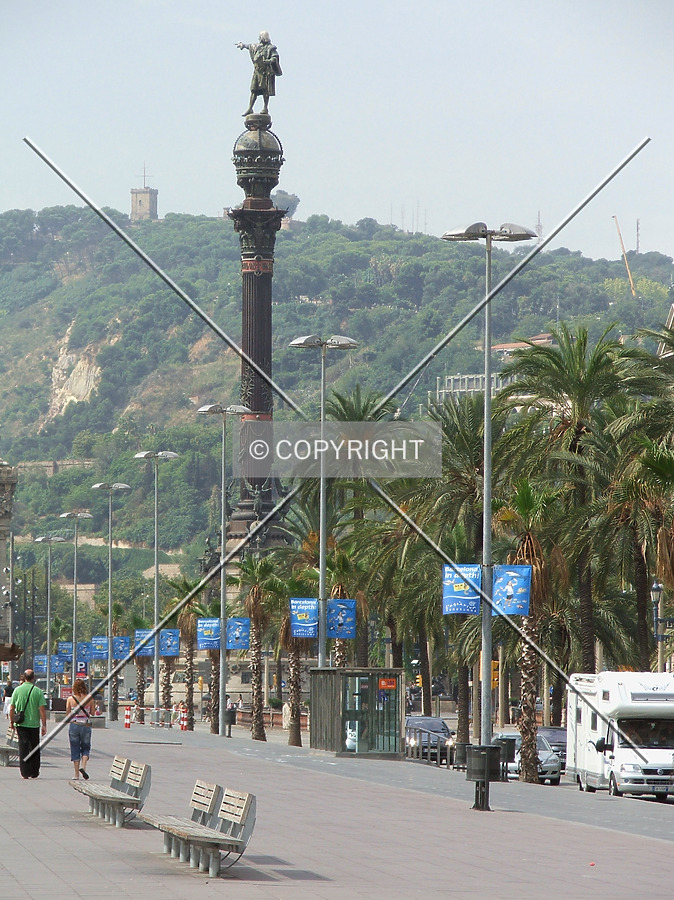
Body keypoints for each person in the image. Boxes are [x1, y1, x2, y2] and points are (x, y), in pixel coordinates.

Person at [10, 669, 47, 779]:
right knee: (34, 747)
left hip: (21, 724)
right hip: (34, 724)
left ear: (24, 678)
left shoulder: (17, 690)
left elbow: (12, 708)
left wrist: (12, 721)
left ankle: (25, 772)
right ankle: (34, 771)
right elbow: (42, 709)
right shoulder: (38, 691)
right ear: (33, 678)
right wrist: (44, 724)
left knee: (23, 747)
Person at [236, 31, 282, 116]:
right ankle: (250, 108)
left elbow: (275, 57)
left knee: (265, 90)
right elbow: (249, 46)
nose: (259, 39)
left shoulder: (271, 48)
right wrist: (243, 45)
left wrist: (268, 61)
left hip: (265, 72)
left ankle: (265, 107)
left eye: (260, 37)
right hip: (257, 72)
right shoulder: (257, 46)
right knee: (253, 90)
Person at [66, 679, 94, 780]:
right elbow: (93, 713)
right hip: (86, 725)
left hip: (74, 725)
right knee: (86, 747)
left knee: (75, 748)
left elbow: (68, 714)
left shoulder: (70, 699)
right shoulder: (89, 698)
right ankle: (84, 766)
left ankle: (76, 774)